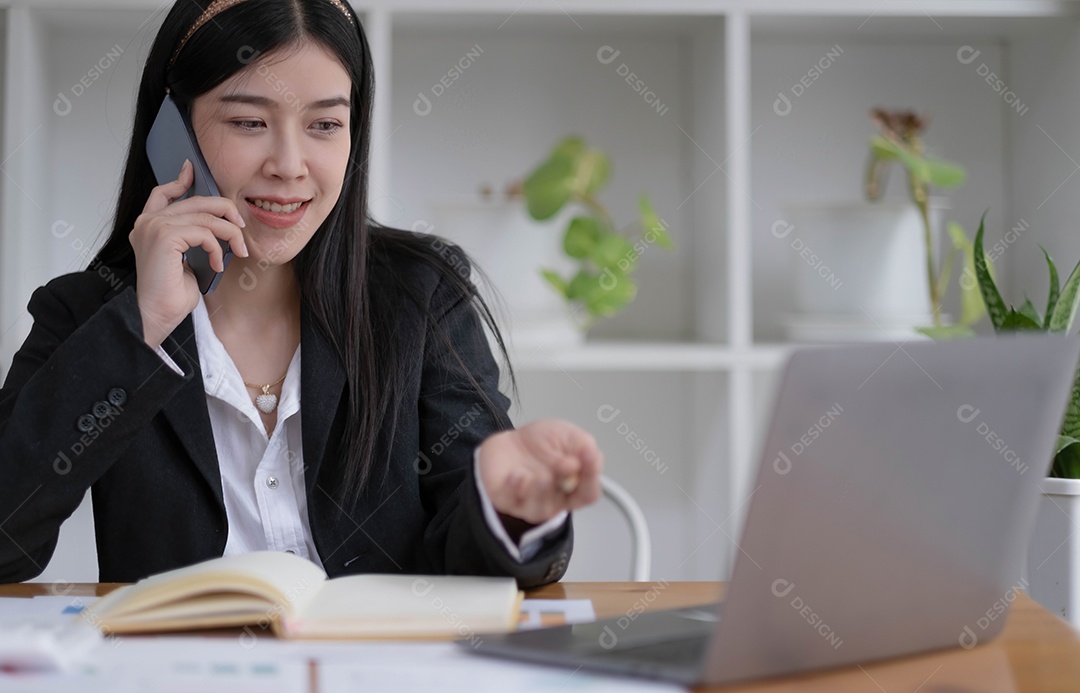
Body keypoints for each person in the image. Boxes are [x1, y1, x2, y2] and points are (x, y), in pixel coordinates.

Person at [0, 0, 603, 586]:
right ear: (171, 131)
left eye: (324, 125)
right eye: (249, 122)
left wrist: (510, 510)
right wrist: (144, 324)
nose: (290, 165)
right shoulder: (88, 314)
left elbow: (474, 548)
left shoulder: (421, 294)